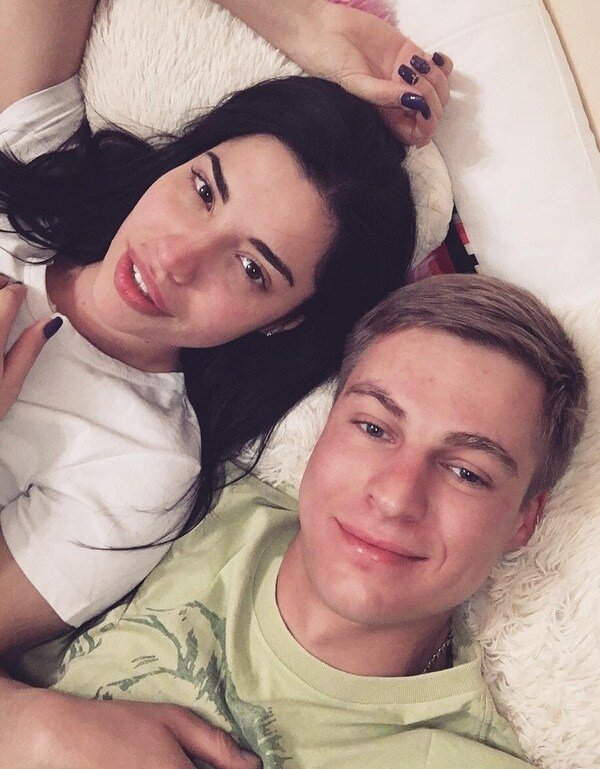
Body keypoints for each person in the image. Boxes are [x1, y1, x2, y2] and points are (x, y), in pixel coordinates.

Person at [0, 2, 452, 767]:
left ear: (284, 321)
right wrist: (306, 28)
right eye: (204, 190)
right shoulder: (38, 180)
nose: (176, 257)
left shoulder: (139, 465)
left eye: (250, 268)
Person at [26, 274, 587, 769]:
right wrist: (39, 731)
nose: (396, 497)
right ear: (326, 425)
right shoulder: (168, 499)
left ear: (524, 520)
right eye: (374, 428)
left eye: (467, 472)